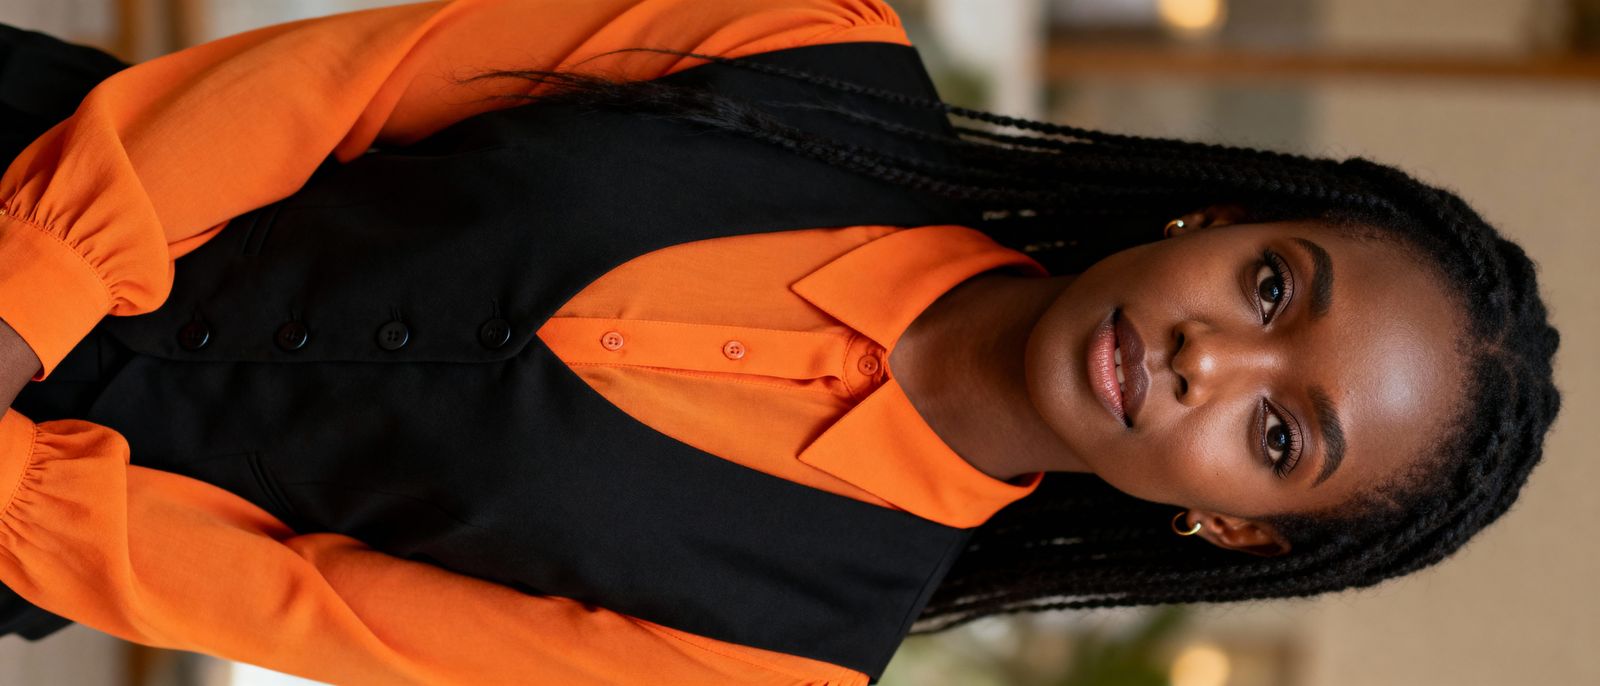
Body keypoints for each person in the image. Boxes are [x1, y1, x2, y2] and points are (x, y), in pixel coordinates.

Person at [0, 0, 1561, 684]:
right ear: (1216, 219)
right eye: (1274, 288)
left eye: (1279, 435)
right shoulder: (811, 45)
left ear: (1231, 525)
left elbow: (323, 605)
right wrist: (31, 294)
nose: (1214, 359)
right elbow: (353, 81)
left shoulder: (780, 658)